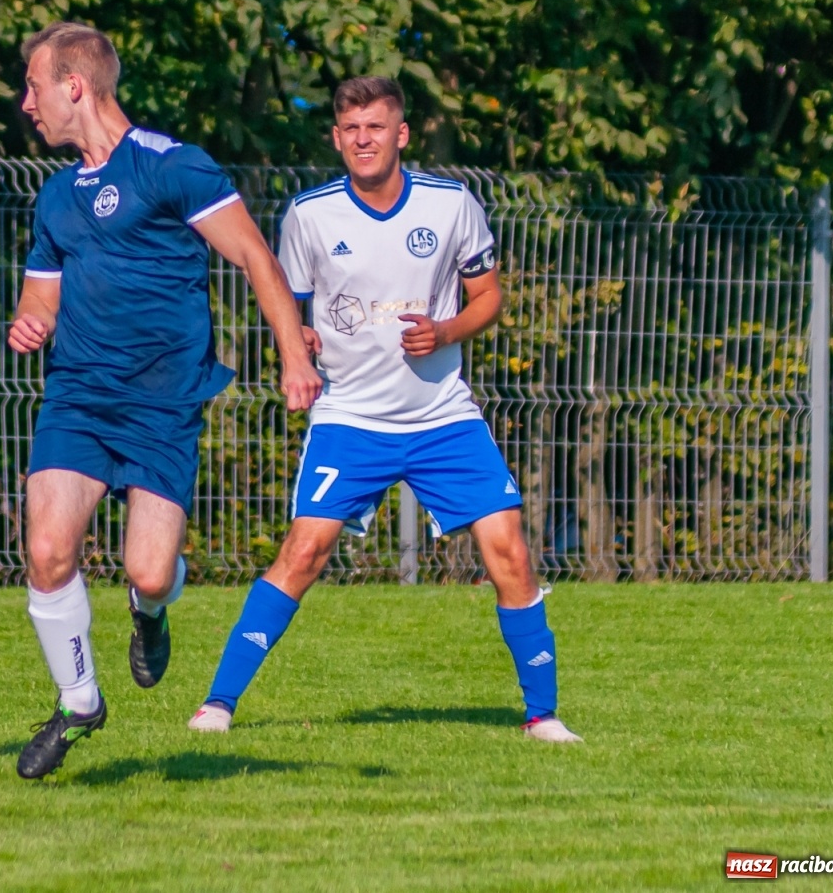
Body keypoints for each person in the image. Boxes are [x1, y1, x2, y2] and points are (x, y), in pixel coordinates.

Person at [187, 75, 582, 744]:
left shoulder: (451, 203)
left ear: (400, 134)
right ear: (336, 137)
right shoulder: (310, 216)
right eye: (350, 129)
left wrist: (446, 331)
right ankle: (218, 704)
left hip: (441, 417)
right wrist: (299, 346)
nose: (362, 140)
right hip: (350, 418)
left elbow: (488, 297)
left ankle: (543, 716)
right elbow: (293, 310)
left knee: (509, 551)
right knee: (304, 551)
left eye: (375, 127)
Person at [8, 22, 323, 779]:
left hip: (161, 404)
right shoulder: (54, 196)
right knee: (48, 552)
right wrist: (31, 321)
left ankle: (150, 614)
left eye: (34, 86)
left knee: (148, 572)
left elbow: (254, 256)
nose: (27, 104)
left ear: (74, 87)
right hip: (79, 396)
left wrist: (291, 357)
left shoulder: (171, 166)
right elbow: (39, 296)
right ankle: (79, 701)